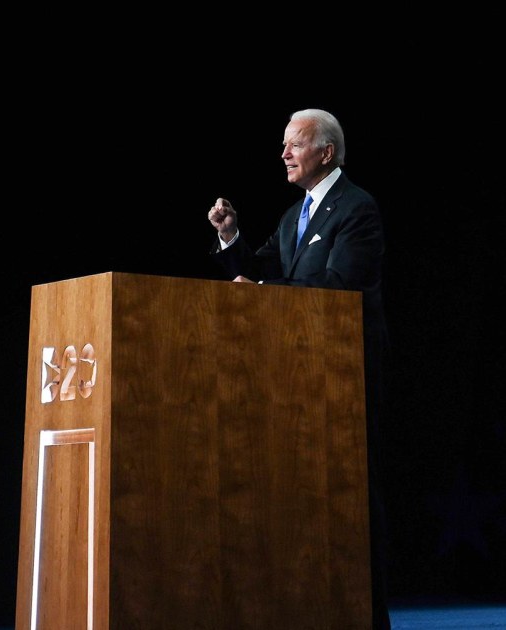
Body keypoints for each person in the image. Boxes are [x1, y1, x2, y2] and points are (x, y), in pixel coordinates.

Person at [207, 108, 390, 629]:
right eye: (284, 145)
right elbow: (262, 270)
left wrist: (263, 293)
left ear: (325, 152)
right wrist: (231, 236)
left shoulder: (357, 208)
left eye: (295, 144)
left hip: (345, 376)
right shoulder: (295, 215)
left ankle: (367, 615)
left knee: (352, 497)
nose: (284, 153)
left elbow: (339, 290)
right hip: (293, 376)